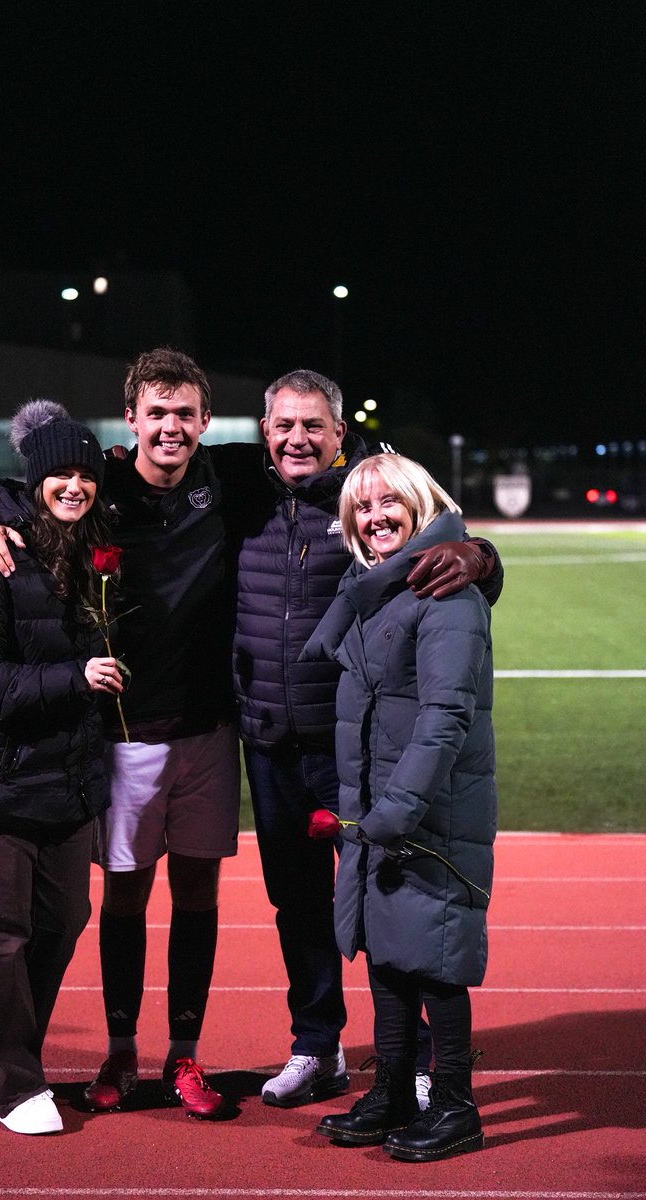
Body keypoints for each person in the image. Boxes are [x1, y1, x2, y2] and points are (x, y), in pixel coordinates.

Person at [0, 349, 240, 1120]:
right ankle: (120, 1051)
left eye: (185, 413)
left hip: (211, 732)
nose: (172, 427)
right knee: (120, 899)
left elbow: (323, 467)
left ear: (205, 421)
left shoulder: (233, 477)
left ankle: (184, 1055)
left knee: (197, 896)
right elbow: (31, 491)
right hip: (124, 737)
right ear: (133, 421)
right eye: (158, 413)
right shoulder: (103, 481)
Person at [226, 369, 502, 1109]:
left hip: (358, 750)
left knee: (397, 896)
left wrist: (480, 555)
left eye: (313, 425)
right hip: (272, 740)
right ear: (264, 429)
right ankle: (318, 1046)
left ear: (339, 434)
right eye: (283, 424)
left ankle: (415, 1062)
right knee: (300, 905)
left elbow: (435, 540)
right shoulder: (238, 490)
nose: (297, 438)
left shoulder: (366, 501)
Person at [0, 401, 124, 1135]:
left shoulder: (91, 548)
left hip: (69, 779)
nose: (74, 486)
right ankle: (10, 1083)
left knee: (65, 918)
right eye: (60, 474)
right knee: (2, 932)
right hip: (2, 779)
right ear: (37, 477)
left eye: (85, 473)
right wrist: (74, 680)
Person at [303, 452, 496, 1161]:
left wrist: (398, 811)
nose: (375, 517)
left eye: (389, 503)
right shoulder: (374, 585)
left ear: (419, 503)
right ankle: (390, 1090)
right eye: (362, 507)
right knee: (387, 952)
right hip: (379, 806)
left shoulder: (446, 593)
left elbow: (446, 717)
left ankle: (455, 1104)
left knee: (435, 958)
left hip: (428, 812)